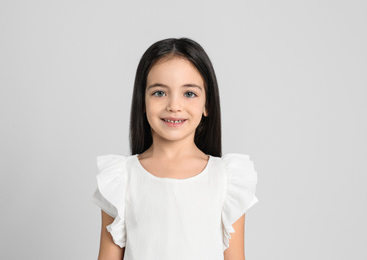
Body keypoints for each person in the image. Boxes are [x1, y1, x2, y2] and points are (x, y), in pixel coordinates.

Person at [92, 38, 259, 260]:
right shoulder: (121, 180)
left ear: (207, 104)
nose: (174, 106)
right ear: (142, 101)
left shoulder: (227, 181)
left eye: (189, 93)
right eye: (160, 92)